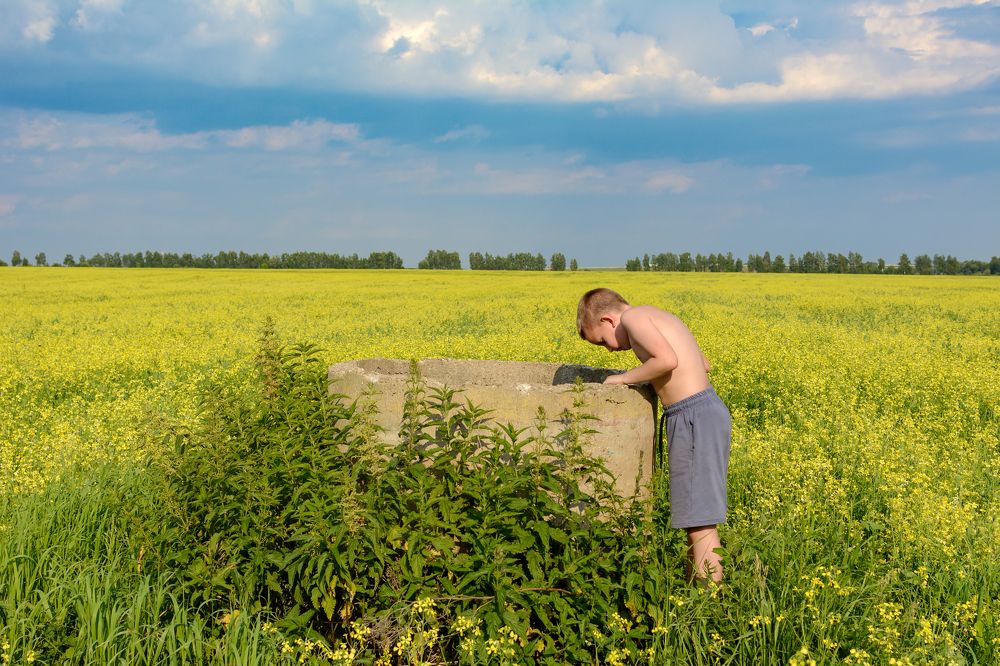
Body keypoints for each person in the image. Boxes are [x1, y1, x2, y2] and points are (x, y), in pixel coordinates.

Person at [577, 287, 731, 584]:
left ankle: (710, 600)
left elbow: (667, 360)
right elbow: (704, 363)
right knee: (697, 518)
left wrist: (624, 377)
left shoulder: (634, 318)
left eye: (603, 341)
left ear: (609, 320)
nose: (609, 349)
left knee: (699, 522)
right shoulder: (656, 315)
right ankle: (697, 586)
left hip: (692, 415)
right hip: (704, 410)